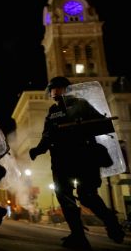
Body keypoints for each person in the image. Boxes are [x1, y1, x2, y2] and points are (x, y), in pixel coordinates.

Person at [29, 76, 125, 249]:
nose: (53, 93)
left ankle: (112, 223)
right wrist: (38, 149)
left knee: (87, 196)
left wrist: (83, 126)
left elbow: (102, 125)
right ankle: (78, 235)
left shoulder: (81, 105)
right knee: (64, 197)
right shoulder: (52, 112)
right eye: (52, 90)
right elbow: (47, 136)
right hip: (61, 161)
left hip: (84, 158)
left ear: (65, 89)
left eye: (56, 89)